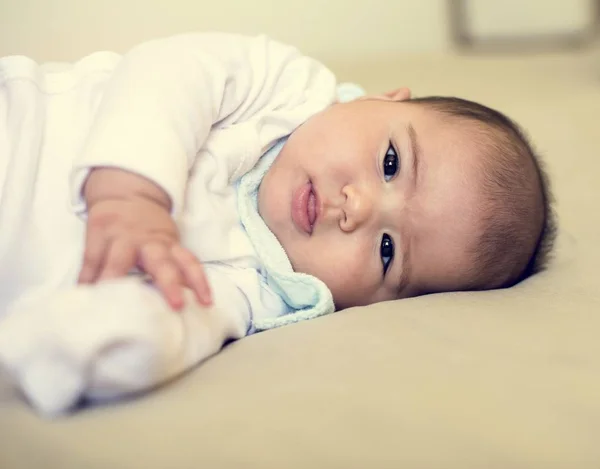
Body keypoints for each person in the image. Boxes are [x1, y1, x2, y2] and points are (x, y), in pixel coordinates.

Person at [0, 32, 556, 415]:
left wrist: (95, 344)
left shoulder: (268, 291)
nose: (356, 209)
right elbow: (173, 70)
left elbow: (181, 319)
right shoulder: (286, 89)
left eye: (388, 251)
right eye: (390, 163)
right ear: (383, 99)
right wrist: (130, 193)